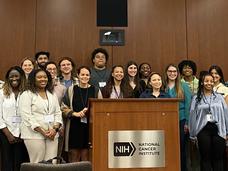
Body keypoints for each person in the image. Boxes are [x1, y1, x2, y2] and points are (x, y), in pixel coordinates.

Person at [18, 69, 62, 163]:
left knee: (52, 163)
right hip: (34, 135)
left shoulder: (52, 94)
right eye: (39, 77)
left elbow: (58, 113)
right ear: (33, 79)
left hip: (52, 134)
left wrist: (55, 129)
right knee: (37, 163)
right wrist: (43, 132)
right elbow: (27, 116)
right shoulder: (26, 95)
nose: (43, 79)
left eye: (45, 77)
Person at [189, 71, 228, 171]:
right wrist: (192, 134)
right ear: (202, 82)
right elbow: (192, 116)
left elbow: (226, 113)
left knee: (218, 158)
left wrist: (227, 131)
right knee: (205, 158)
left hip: (219, 130)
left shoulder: (219, 97)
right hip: (202, 130)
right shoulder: (196, 98)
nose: (209, 83)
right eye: (206, 81)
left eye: (211, 81)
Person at [62, 66, 102, 162]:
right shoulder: (71, 90)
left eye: (87, 75)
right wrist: (74, 113)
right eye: (82, 74)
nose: (85, 77)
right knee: (74, 156)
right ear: (78, 76)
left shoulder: (96, 90)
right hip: (74, 127)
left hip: (90, 127)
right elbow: (63, 108)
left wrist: (90, 113)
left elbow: (101, 109)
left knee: (86, 156)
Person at [0, 66, 29, 171]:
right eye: (11, 76)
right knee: (7, 161)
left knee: (20, 161)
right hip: (5, 132)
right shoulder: (2, 92)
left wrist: (22, 132)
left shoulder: (27, 93)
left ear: (21, 77)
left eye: (16, 76)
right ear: (7, 78)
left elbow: (29, 114)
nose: (14, 78)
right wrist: (8, 134)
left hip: (23, 133)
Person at [164, 64, 192, 171]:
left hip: (181, 119)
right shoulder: (162, 85)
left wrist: (187, 122)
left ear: (178, 73)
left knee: (181, 148)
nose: (172, 73)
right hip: (166, 120)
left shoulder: (183, 86)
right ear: (166, 73)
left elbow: (189, 104)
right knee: (167, 147)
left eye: (174, 71)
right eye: (170, 71)